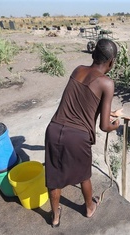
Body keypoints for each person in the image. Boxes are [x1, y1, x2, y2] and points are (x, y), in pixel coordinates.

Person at [44, 38, 120, 227]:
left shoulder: (78, 70)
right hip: (77, 137)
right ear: (111, 62)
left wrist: (102, 111)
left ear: (94, 55)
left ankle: (54, 217)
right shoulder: (107, 83)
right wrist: (115, 124)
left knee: (54, 177)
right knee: (83, 175)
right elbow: (104, 126)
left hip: (54, 129)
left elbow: (80, 100)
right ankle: (89, 207)